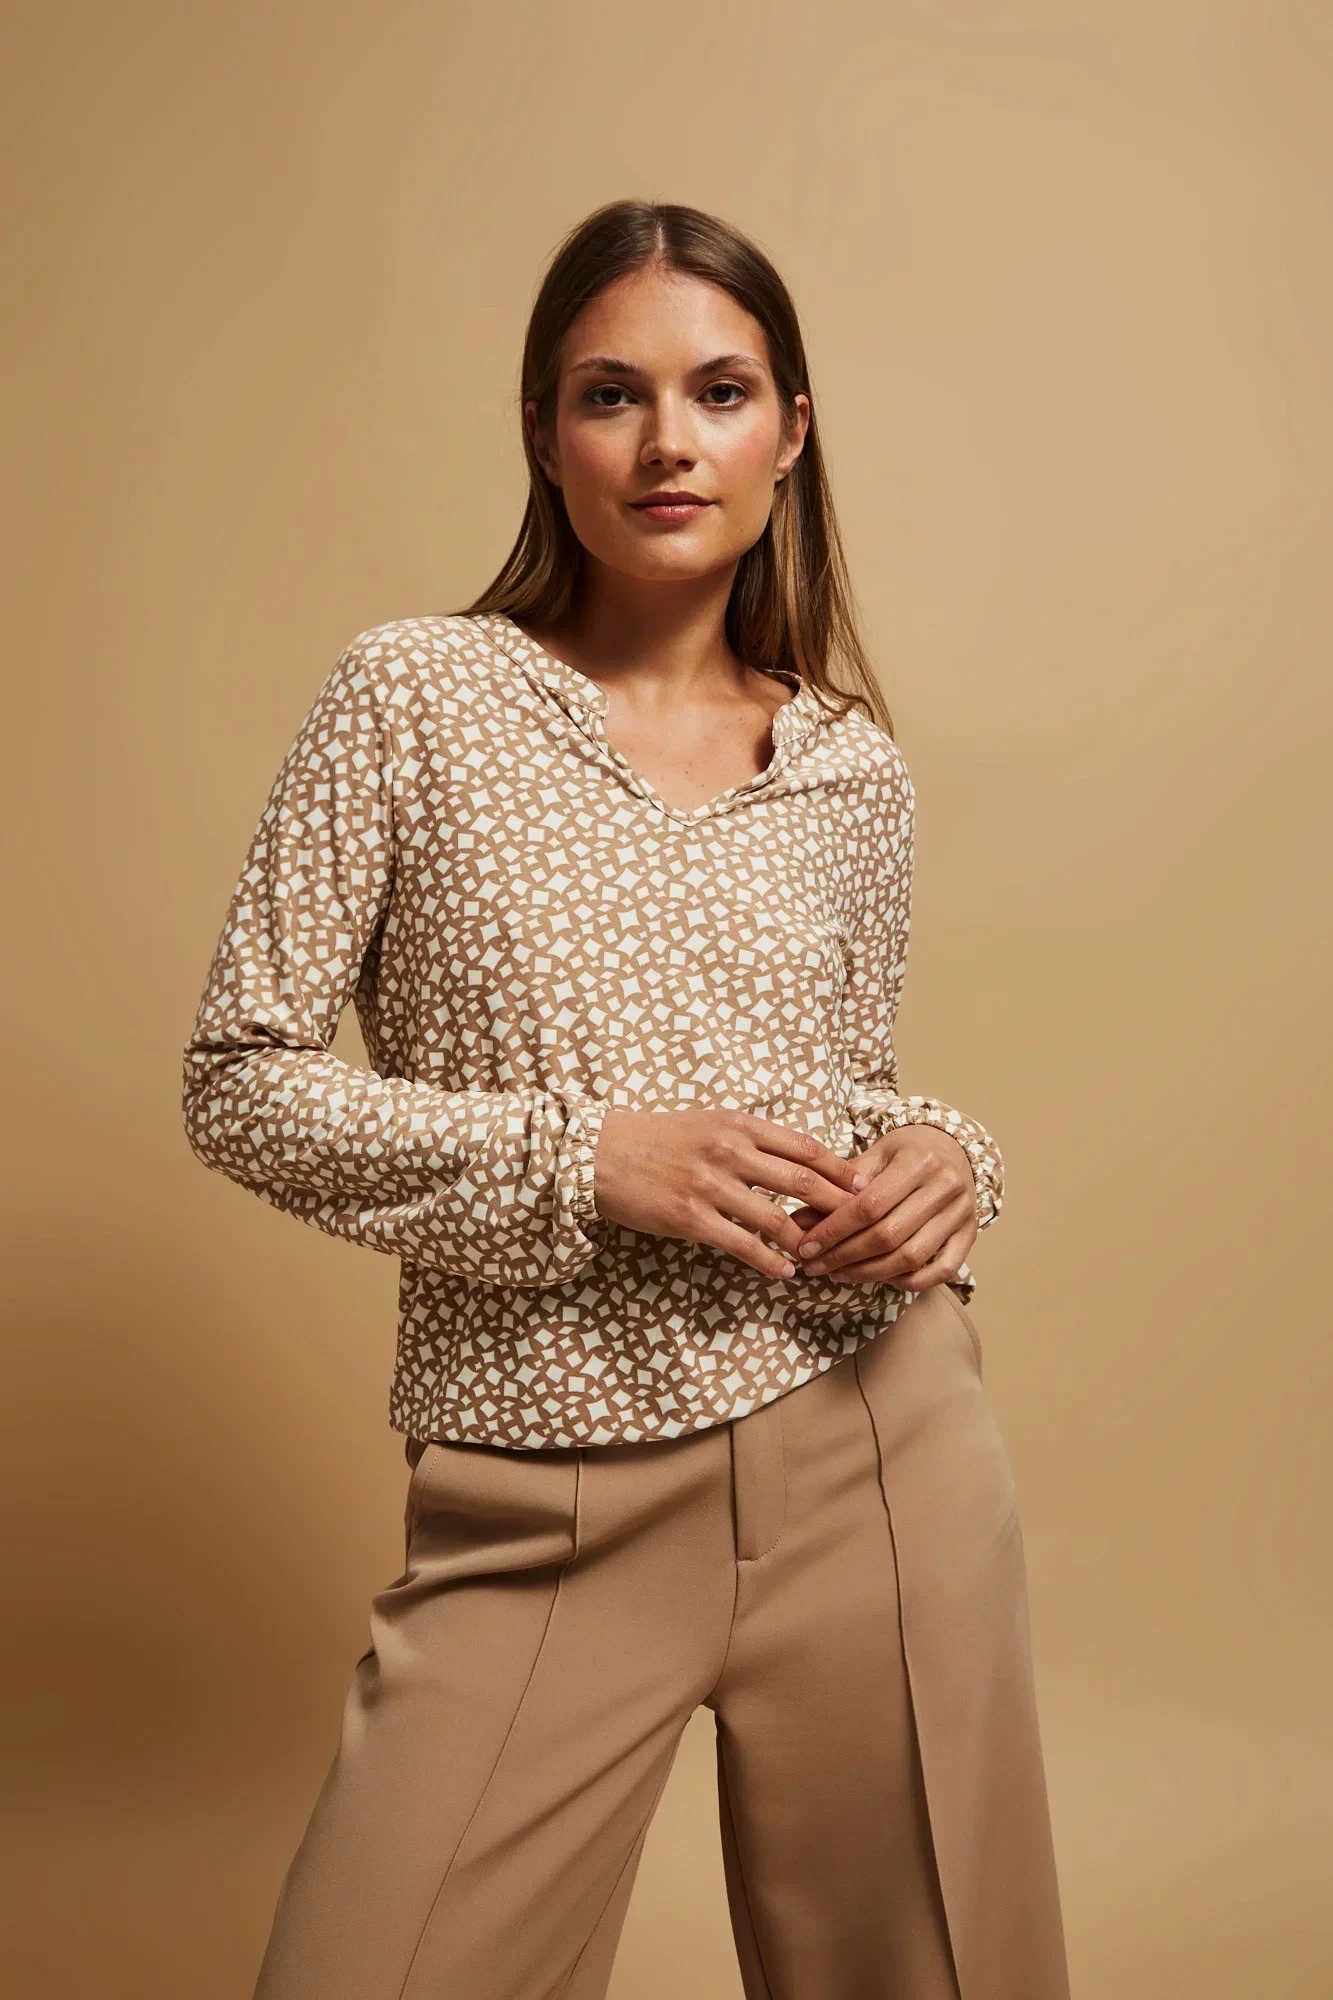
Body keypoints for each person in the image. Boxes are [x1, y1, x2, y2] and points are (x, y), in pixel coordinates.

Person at [182, 198, 1069, 2000]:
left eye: (720, 392)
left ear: (790, 431)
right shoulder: (413, 698)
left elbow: (838, 1091)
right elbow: (238, 1081)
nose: (672, 440)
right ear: (544, 432)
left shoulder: (855, 769)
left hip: (874, 1442)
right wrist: (584, 1160)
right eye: (614, 394)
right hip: (548, 1483)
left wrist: (945, 1154)